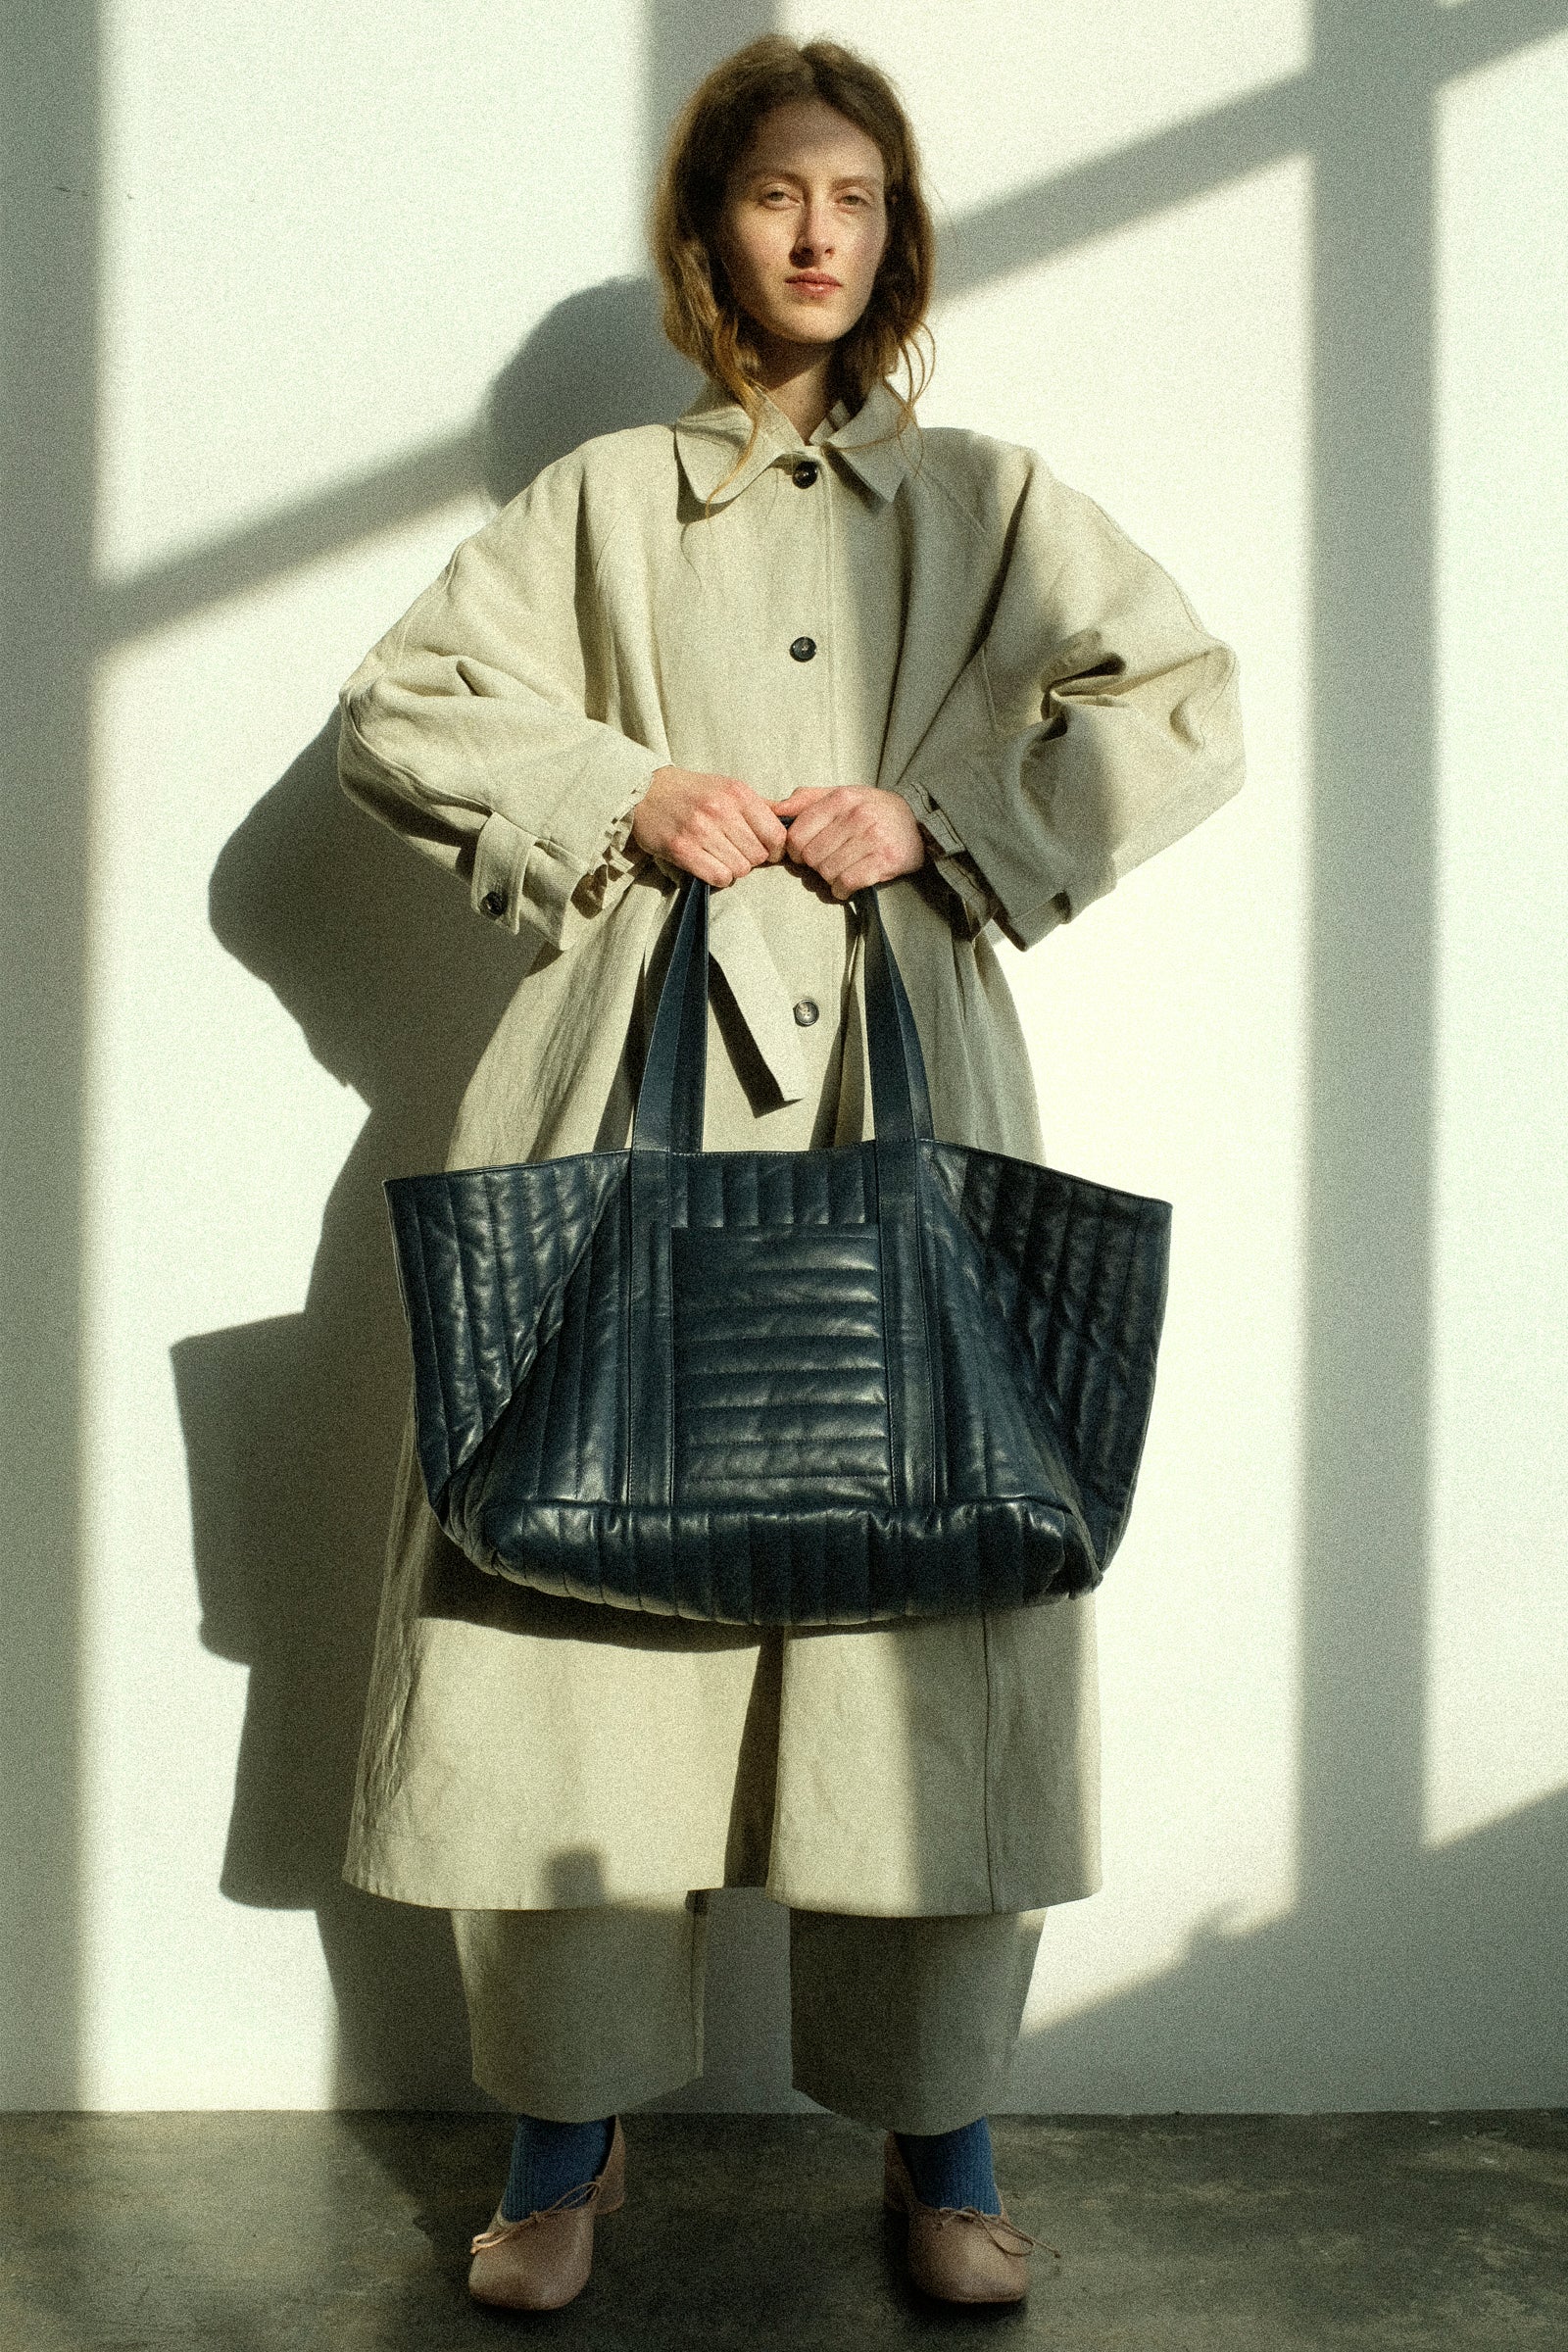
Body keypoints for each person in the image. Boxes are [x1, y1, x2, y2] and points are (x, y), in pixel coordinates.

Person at [336, 33, 1244, 2314]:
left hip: (903, 1087)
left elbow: (1176, 700)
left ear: (898, 227)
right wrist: (623, 790)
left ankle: (943, 2144)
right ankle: (563, 2147)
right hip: (616, 1096)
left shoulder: (995, 504)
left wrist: (949, 819)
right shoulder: (594, 508)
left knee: (933, 1617)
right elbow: (404, 711)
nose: (816, 231)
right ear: (708, 233)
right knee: (555, 1612)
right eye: (773, 195)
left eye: (853, 192)